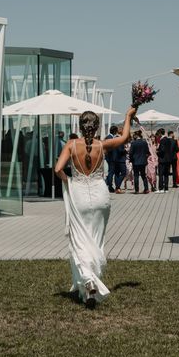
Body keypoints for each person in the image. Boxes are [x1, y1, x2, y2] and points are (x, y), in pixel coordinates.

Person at [55, 106, 136, 309]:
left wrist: (69, 182)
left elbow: (57, 169)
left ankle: (88, 281)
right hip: (100, 195)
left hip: (79, 195)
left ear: (81, 127)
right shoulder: (103, 145)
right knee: (96, 239)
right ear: (97, 126)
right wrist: (127, 116)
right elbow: (125, 137)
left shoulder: (72, 145)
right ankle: (90, 280)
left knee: (79, 240)